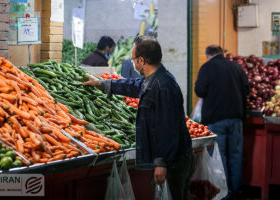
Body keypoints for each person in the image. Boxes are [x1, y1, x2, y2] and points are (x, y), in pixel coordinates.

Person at [84, 36, 195, 200]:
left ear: (142, 60)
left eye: (133, 58)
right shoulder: (154, 79)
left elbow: (167, 128)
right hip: (173, 159)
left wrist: (161, 163)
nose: (132, 62)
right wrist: (102, 84)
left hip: (174, 162)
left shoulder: (162, 86)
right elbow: (133, 85)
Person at [195, 45, 250, 200]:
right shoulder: (236, 67)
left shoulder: (206, 68)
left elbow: (200, 91)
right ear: (221, 53)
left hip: (216, 119)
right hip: (236, 119)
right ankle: (236, 192)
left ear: (208, 55)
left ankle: (223, 194)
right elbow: (247, 88)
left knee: (220, 156)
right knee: (235, 155)